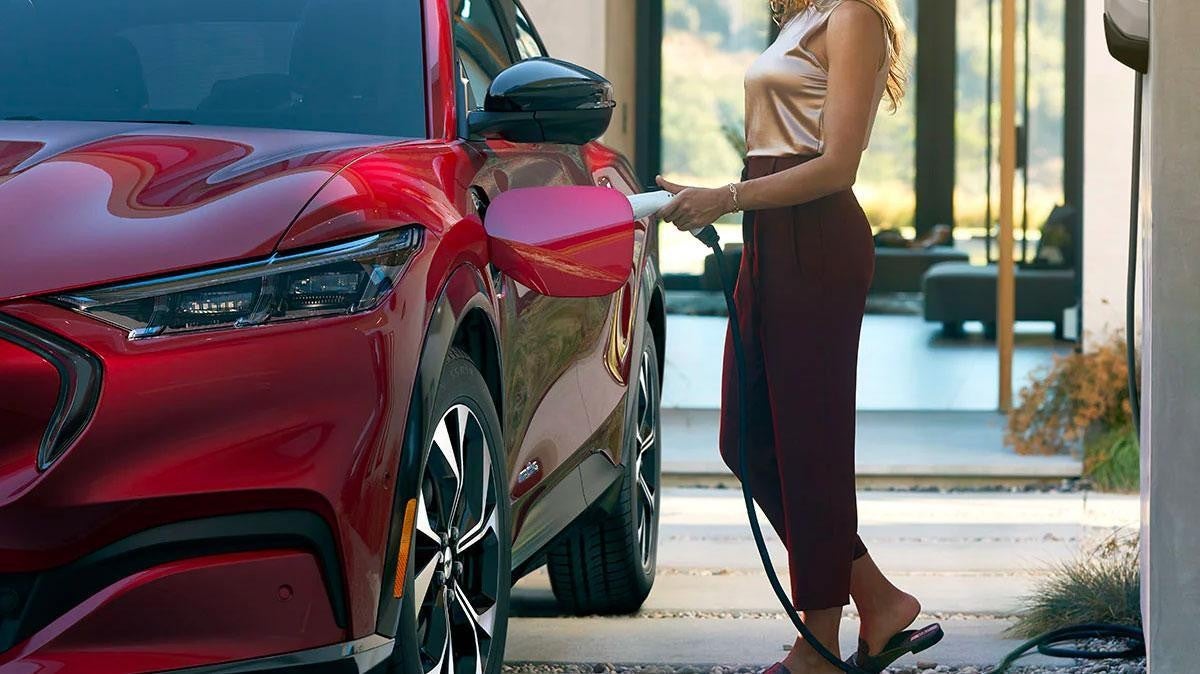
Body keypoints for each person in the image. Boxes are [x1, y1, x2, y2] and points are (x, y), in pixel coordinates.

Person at [654, 1, 940, 672]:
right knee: (747, 441)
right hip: (771, 235)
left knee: (809, 444)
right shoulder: (798, 19)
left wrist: (724, 196)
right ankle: (879, 598)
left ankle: (820, 639)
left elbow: (838, 165)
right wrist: (721, 195)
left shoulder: (853, 17)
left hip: (816, 238)